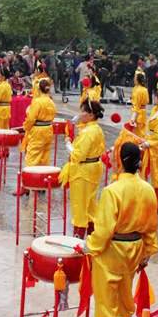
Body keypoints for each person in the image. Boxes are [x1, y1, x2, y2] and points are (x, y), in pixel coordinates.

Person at [86, 142, 158, 317]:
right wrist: (147, 251)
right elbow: (151, 225)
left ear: (120, 161)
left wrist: (89, 245)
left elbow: (104, 231)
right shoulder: (148, 189)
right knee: (125, 297)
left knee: (109, 303)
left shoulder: (112, 191)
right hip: (134, 248)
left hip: (112, 252)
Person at [59, 99, 105, 238]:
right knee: (90, 204)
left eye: (83, 111)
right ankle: (92, 237)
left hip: (83, 171)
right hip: (93, 167)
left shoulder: (88, 132)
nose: (80, 113)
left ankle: (77, 239)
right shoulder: (95, 128)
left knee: (79, 205)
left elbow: (78, 155)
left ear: (91, 115)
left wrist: (68, 144)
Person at [19, 78, 56, 182]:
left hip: (38, 130)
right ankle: (42, 181)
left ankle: (29, 182)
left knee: (32, 155)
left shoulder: (37, 101)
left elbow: (31, 118)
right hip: (48, 129)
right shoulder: (51, 101)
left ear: (39, 89)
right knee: (45, 156)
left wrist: (26, 127)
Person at [131, 72, 150, 136]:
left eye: (135, 78)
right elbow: (147, 101)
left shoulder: (138, 90)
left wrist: (133, 117)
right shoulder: (144, 89)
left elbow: (137, 105)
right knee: (141, 131)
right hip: (142, 112)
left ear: (137, 80)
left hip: (138, 114)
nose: (134, 79)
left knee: (138, 133)